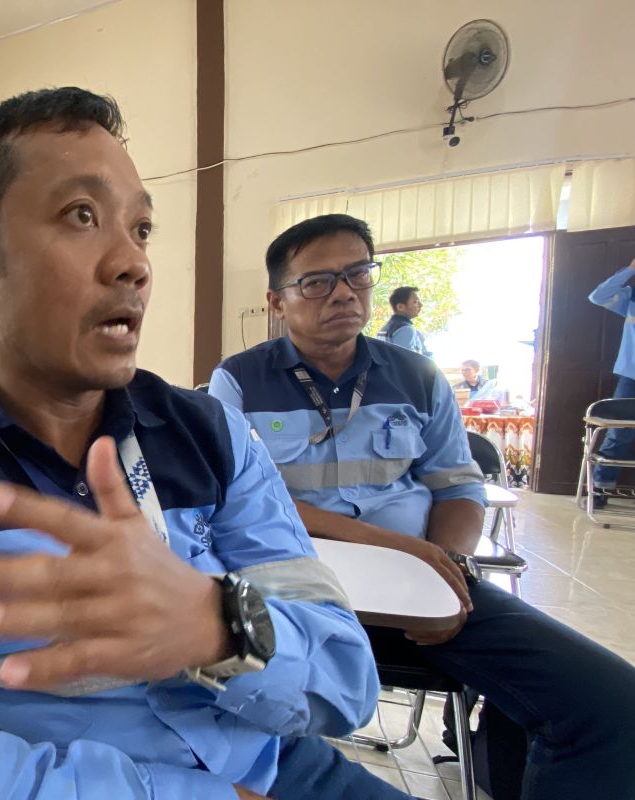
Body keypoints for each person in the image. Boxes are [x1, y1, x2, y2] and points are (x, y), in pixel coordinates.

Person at [0, 90, 410, 799]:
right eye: (81, 215)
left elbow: (345, 683)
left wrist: (217, 627)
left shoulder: (213, 434)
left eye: (141, 228)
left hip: (278, 768)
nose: (133, 264)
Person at [209, 213, 635, 800]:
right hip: (295, 590)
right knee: (225, 714)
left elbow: (458, 487)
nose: (343, 293)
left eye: (357, 274)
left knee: (609, 704)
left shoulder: (417, 377)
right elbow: (246, 502)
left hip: (420, 590)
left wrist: (446, 566)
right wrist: (398, 547)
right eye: (317, 282)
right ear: (277, 302)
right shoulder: (237, 382)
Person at [587, 259, 635, 505]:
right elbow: (598, 296)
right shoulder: (631, 298)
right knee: (618, 433)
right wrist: (630, 270)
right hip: (631, 376)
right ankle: (600, 490)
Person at [377, 286, 433, 357]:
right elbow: (407, 360)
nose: (421, 305)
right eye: (415, 302)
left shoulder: (385, 328)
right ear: (400, 307)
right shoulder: (405, 329)